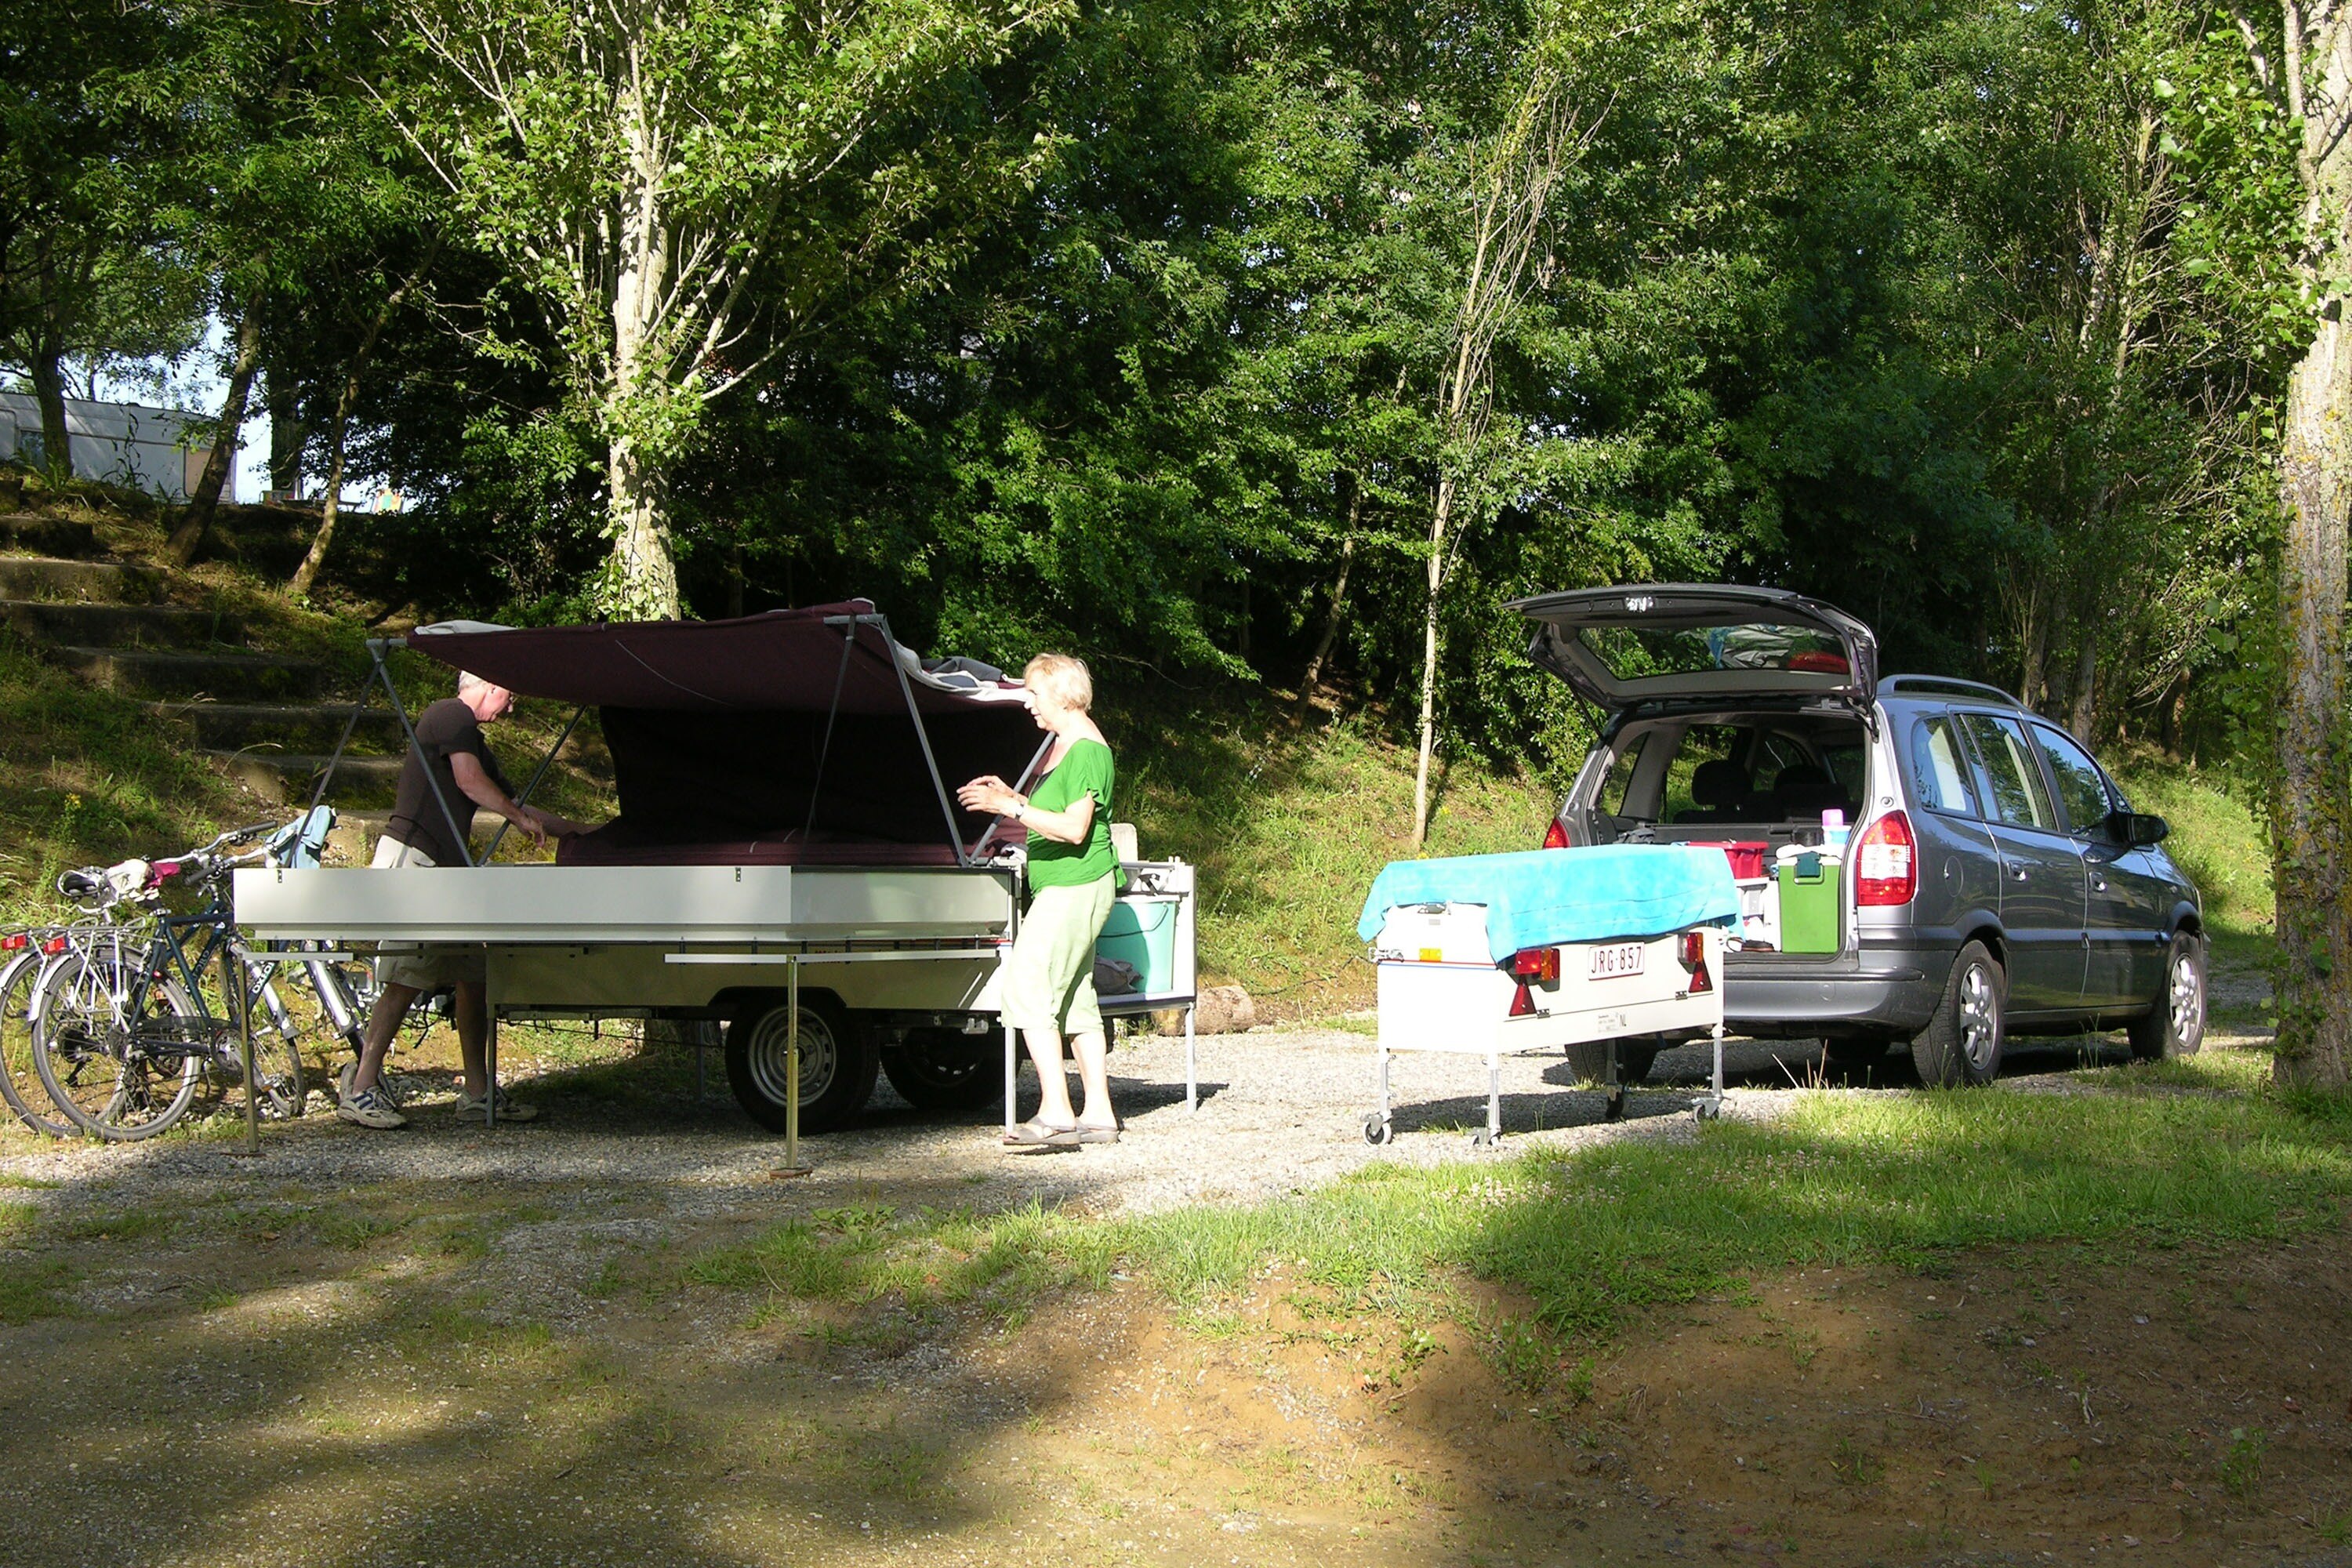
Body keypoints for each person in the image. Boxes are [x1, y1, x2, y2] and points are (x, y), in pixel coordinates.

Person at [336, 670, 589, 1130]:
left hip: (448, 876)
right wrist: (514, 817)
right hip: (415, 864)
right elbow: (470, 782)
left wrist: (584, 833)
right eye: (509, 696)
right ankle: (360, 1089)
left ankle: (476, 1092)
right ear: (489, 686)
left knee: (474, 977)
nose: (511, 708)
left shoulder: (473, 740)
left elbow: (519, 806)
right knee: (405, 978)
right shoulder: (448, 715)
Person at [957, 653, 1124, 1150]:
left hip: (1076, 884)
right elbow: (1052, 813)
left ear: (1062, 694)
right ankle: (1099, 1115)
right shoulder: (1067, 746)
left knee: (1027, 986)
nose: (1028, 704)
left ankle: (1056, 1113)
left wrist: (1010, 806)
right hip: (1071, 886)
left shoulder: (1086, 750)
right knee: (1074, 997)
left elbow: (1074, 829)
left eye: (1034, 693)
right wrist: (1012, 795)